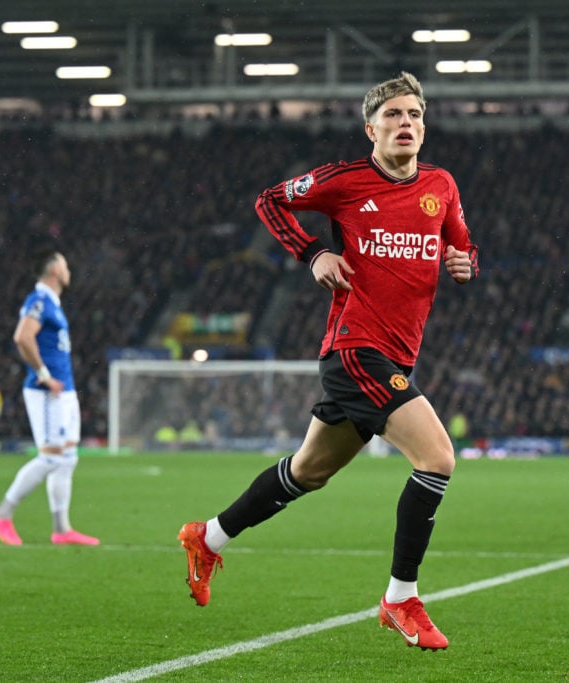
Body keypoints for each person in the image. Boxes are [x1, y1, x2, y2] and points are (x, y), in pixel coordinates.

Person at [177, 72, 478, 651]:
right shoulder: (344, 181)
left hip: (394, 357)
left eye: (414, 114)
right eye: (393, 115)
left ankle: (207, 538)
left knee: (308, 472)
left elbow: (459, 240)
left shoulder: (440, 184)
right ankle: (400, 599)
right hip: (354, 350)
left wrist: (465, 261)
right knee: (438, 457)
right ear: (371, 128)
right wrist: (313, 252)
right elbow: (269, 200)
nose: (406, 123)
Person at [0, 250, 100, 547]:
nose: (68, 269)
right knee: (50, 457)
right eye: (65, 264)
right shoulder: (39, 300)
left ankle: (61, 529)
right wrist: (44, 374)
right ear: (53, 272)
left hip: (66, 391)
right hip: (46, 391)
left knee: (67, 460)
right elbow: (22, 337)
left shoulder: (53, 304)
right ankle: (2, 514)